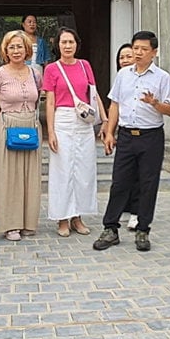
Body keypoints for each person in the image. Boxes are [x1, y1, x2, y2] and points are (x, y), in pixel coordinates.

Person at [93, 31, 170, 252]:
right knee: (119, 182)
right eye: (135, 48)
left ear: (154, 52)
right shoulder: (123, 75)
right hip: (127, 135)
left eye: (143, 49)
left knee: (148, 184)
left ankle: (143, 230)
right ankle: (110, 229)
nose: (138, 52)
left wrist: (154, 103)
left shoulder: (162, 77)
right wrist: (110, 132)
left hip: (151, 137)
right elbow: (115, 105)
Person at [42, 27, 107, 237]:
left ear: (77, 44)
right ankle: (62, 217)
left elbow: (94, 95)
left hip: (84, 121)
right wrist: (50, 131)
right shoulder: (52, 69)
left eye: (71, 42)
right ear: (57, 45)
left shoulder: (85, 65)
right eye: (63, 42)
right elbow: (50, 102)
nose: (67, 46)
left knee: (84, 169)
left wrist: (104, 119)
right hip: (62, 119)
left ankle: (78, 216)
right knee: (62, 170)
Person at [0, 30, 43, 241]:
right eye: (12, 47)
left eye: (20, 46)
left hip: (31, 124)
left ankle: (28, 221)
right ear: (5, 50)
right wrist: (6, 120)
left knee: (31, 174)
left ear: (27, 49)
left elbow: (39, 99)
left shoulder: (35, 73)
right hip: (9, 123)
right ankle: (11, 224)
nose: (16, 51)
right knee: (10, 175)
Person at [113, 43, 139, 230]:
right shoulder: (120, 79)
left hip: (144, 132)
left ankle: (136, 212)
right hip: (124, 132)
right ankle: (124, 207)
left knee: (138, 175)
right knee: (122, 175)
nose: (125, 60)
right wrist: (109, 130)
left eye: (128, 56)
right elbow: (114, 106)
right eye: (121, 57)